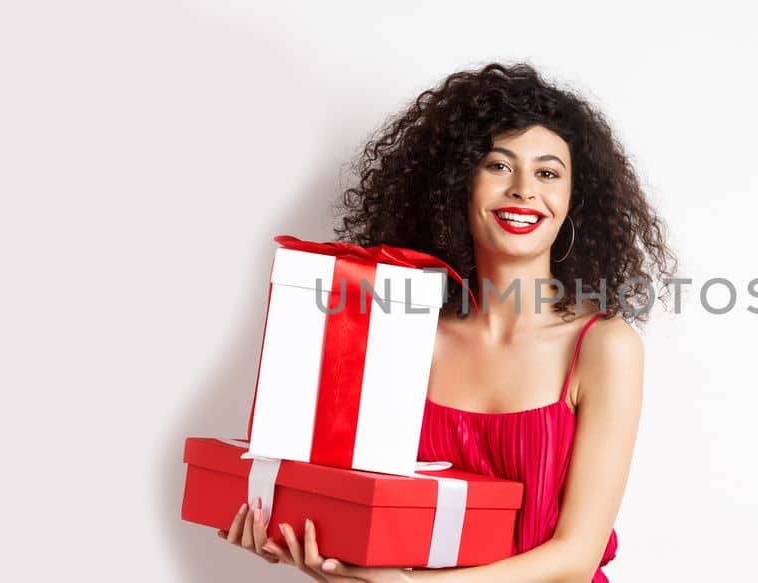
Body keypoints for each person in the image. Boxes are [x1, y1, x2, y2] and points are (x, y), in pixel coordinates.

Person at [219, 62, 675, 582]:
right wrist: (301, 540)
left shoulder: (604, 347)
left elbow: (575, 559)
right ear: (459, 184)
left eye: (548, 173)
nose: (524, 190)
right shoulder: (404, 335)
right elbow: (370, 518)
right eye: (499, 166)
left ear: (573, 202)